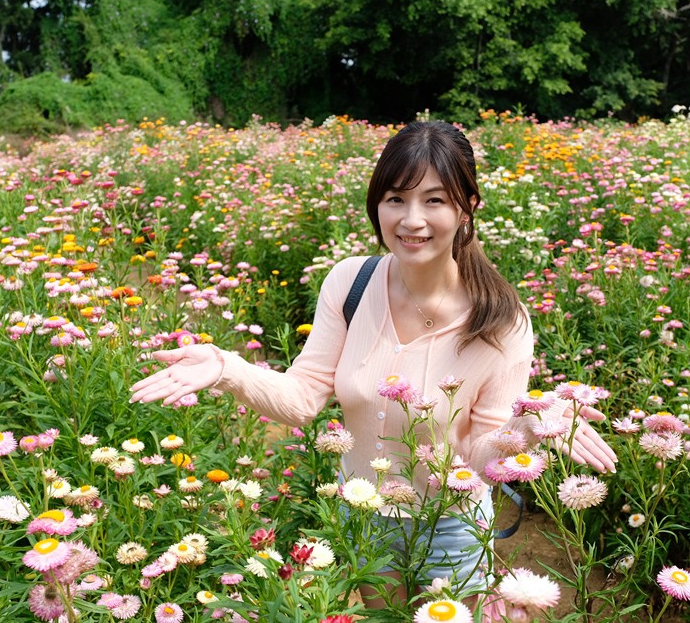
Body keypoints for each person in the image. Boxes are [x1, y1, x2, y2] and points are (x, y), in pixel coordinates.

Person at [129, 121, 618, 609]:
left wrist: (526, 426)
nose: (411, 220)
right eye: (394, 199)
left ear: (468, 207)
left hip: (453, 526)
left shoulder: (501, 321)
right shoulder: (350, 283)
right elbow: (302, 398)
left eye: (434, 200)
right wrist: (225, 367)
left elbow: (475, 459)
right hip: (364, 515)